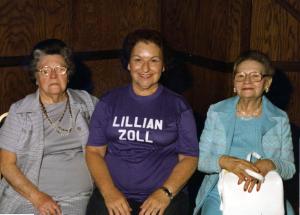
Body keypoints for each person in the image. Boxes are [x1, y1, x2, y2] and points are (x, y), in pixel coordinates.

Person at [85, 29, 199, 215]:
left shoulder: (179, 106)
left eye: (154, 60)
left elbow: (189, 158)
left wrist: (166, 193)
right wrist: (109, 192)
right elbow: (94, 151)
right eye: (138, 60)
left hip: (164, 196)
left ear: (163, 66)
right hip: (114, 194)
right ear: (129, 64)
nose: (145, 68)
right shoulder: (109, 102)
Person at [0, 39, 98, 215]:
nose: (53, 76)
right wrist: (38, 198)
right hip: (29, 198)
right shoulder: (19, 111)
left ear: (68, 74)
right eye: (45, 71)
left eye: (60, 69)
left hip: (79, 197)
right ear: (36, 78)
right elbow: (6, 165)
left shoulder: (88, 103)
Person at [193, 50, 296, 215]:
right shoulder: (216, 111)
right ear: (234, 83)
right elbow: (200, 160)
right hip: (221, 188)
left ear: (267, 83)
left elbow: (289, 168)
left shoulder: (280, 118)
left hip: (265, 189)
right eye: (240, 76)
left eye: (255, 75)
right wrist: (224, 161)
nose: (247, 80)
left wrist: (270, 164)